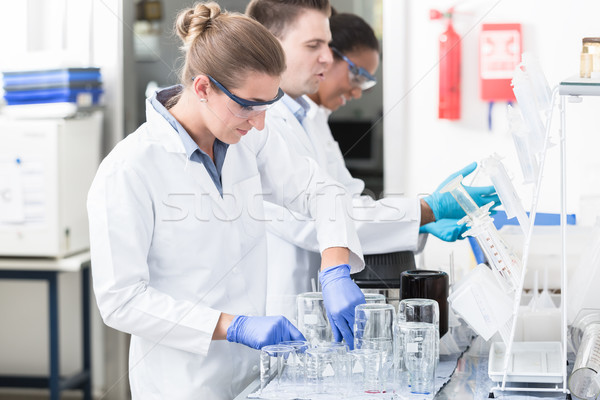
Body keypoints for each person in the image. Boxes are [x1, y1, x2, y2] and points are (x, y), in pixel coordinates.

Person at [87, 3, 364, 399]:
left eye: (269, 104)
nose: (261, 122)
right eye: (250, 106)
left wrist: (334, 268)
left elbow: (322, 192)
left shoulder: (248, 136)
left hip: (255, 375)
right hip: (183, 383)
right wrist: (232, 326)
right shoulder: (129, 169)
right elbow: (121, 301)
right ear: (202, 88)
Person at [246, 3, 499, 324]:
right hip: (282, 305)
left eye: (327, 45)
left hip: (312, 304)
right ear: (269, 43)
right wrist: (424, 209)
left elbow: (346, 200)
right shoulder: (259, 125)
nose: (325, 57)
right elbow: (311, 222)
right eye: (314, 45)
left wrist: (420, 218)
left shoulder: (309, 119)